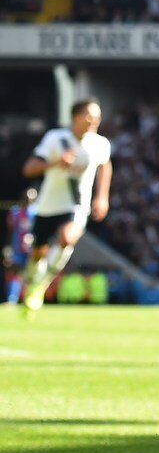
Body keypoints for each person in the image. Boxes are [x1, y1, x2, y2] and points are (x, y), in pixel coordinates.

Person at [19, 98, 112, 318]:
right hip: (48, 206)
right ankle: (32, 284)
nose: (95, 120)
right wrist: (56, 163)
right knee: (38, 254)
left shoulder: (99, 144)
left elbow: (105, 165)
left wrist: (102, 197)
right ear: (75, 117)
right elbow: (29, 168)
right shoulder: (55, 138)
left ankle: (41, 286)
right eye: (90, 115)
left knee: (68, 237)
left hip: (76, 205)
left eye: (97, 116)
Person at [4, 188, 37, 306]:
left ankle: (29, 298)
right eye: (26, 197)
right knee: (15, 271)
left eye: (31, 198)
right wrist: (8, 249)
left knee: (31, 273)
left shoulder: (36, 213)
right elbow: (10, 231)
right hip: (17, 247)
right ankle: (11, 299)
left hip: (32, 248)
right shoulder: (15, 212)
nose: (28, 200)